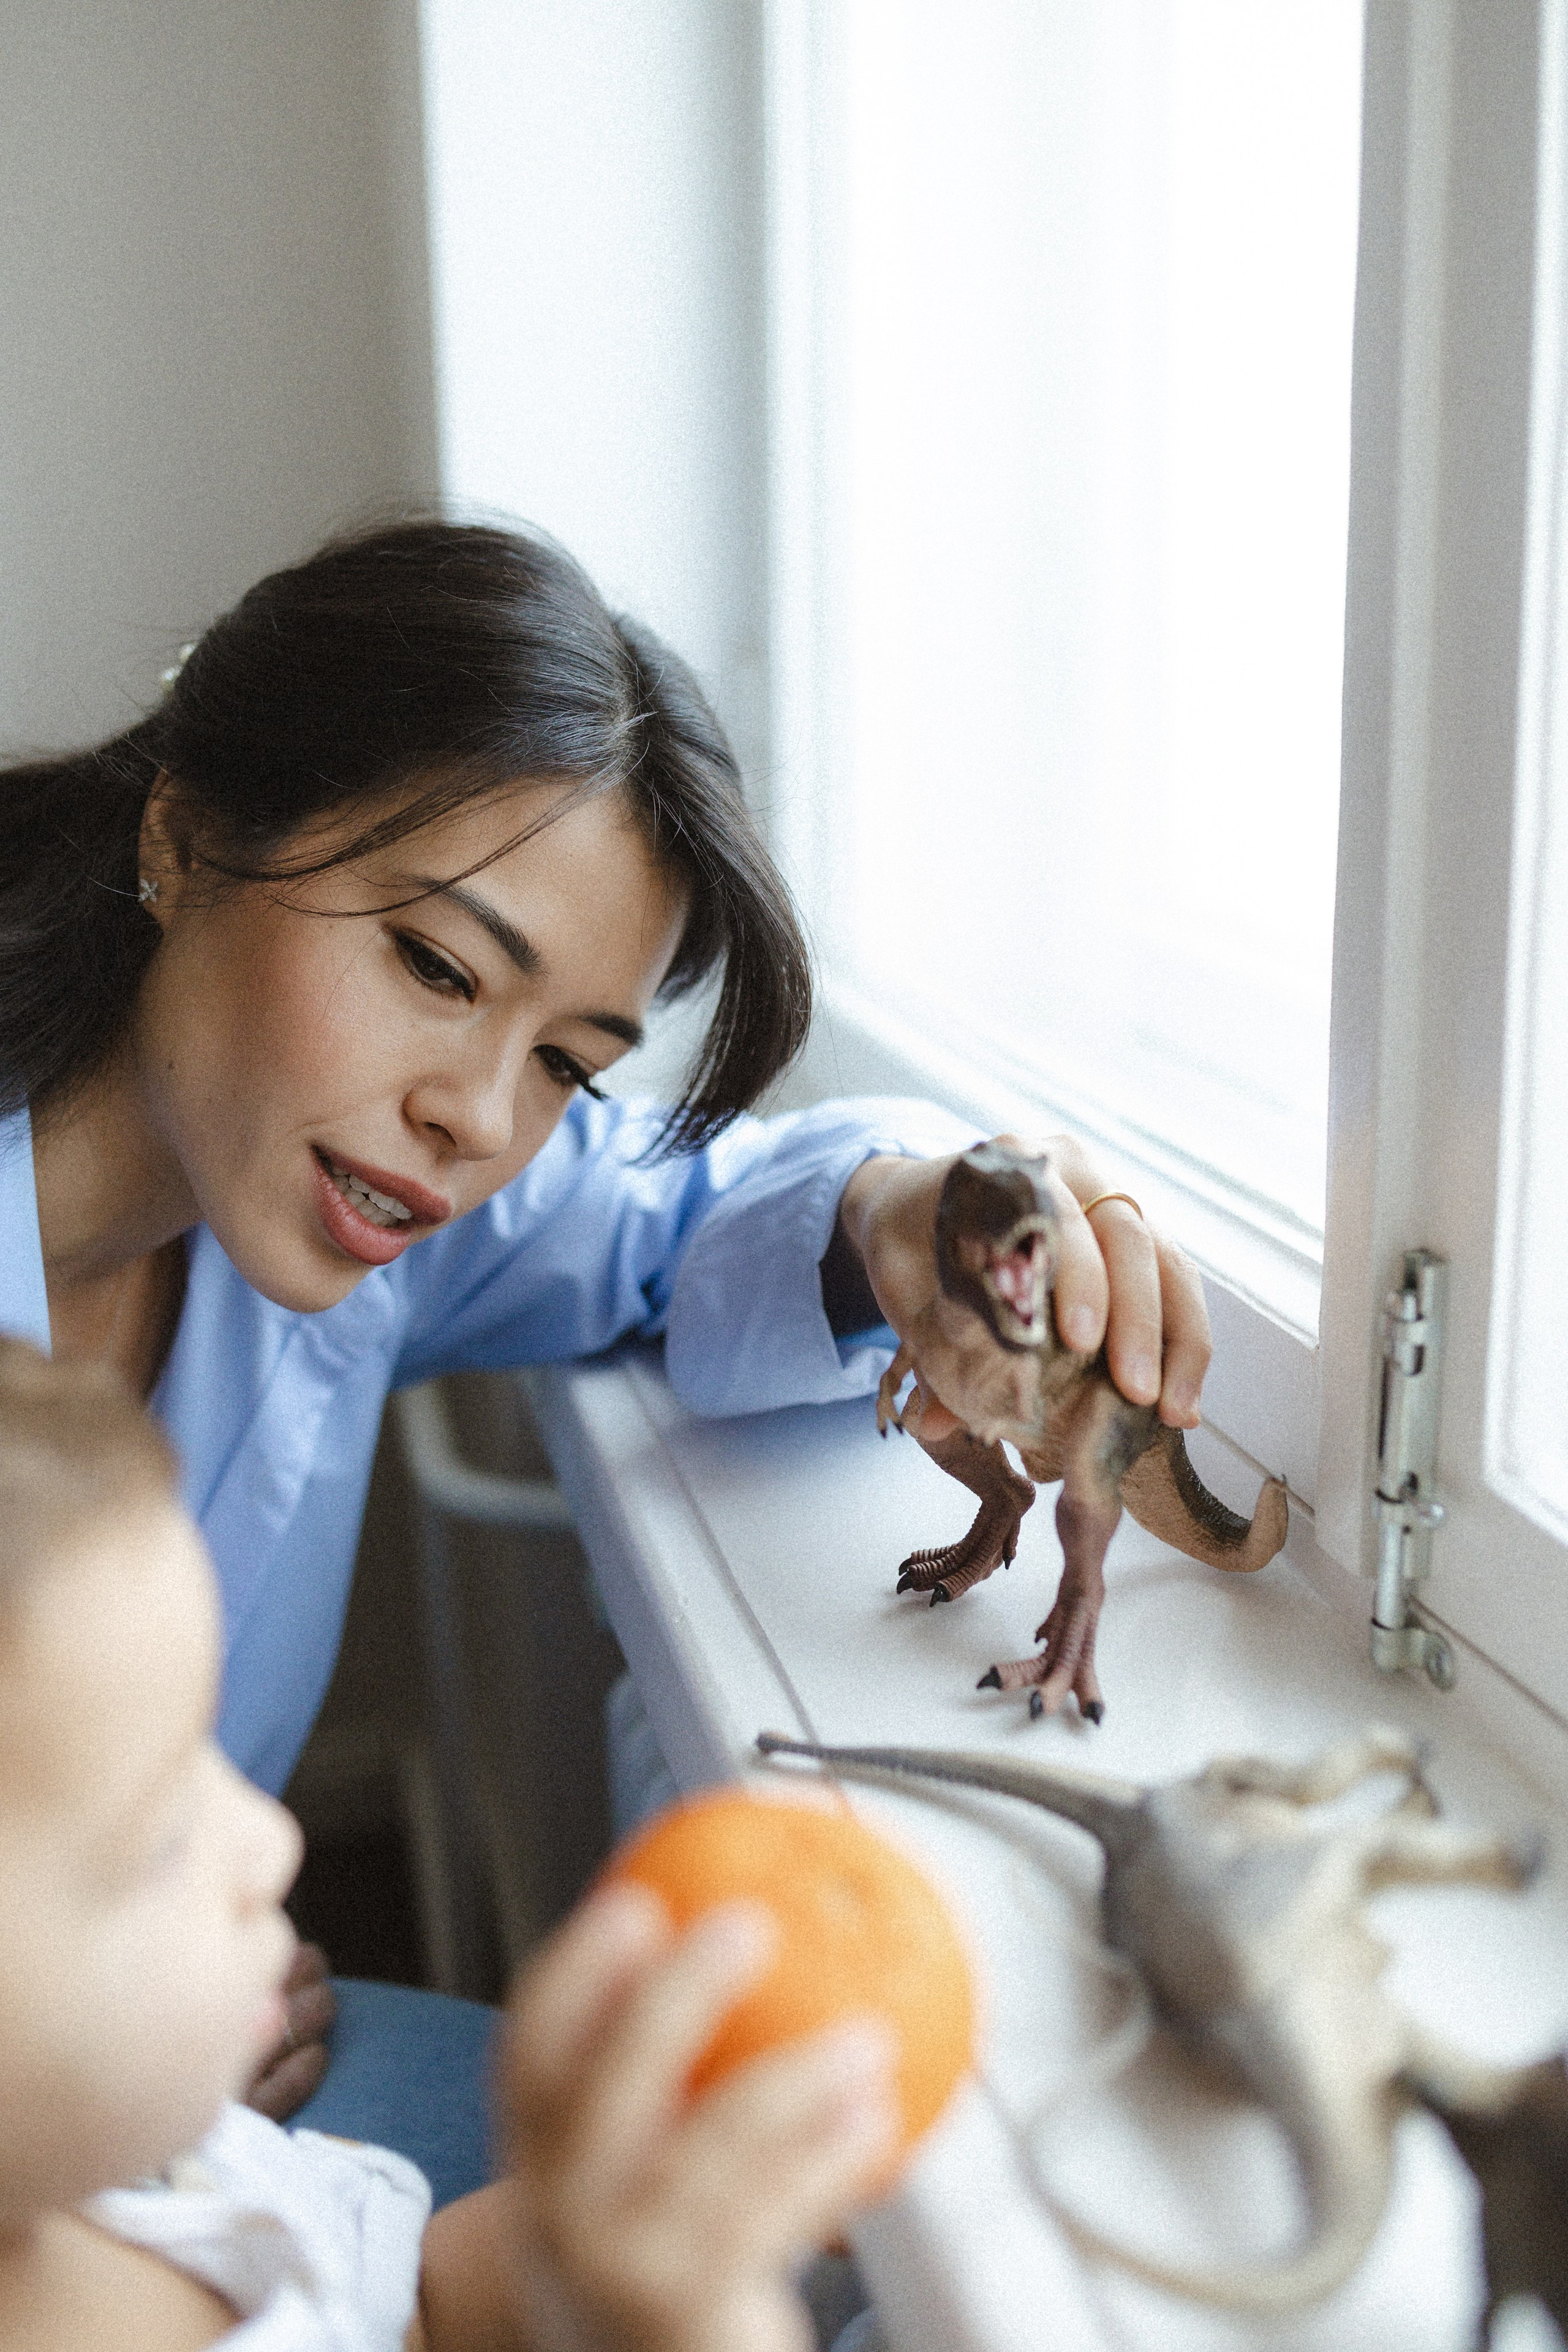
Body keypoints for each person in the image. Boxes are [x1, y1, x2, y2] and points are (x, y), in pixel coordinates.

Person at [0, 517, 1211, 2183]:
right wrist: (84, 2021)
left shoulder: (351, 1192)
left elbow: (661, 1222)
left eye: (568, 1059)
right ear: (183, 834)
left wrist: (909, 1213)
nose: (476, 1120)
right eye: (435, 967)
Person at [0, 1335, 899, 2352]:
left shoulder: (127, 2173)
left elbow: (416, 2305)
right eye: (162, 1834)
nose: (277, 1840)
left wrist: (594, 2236)